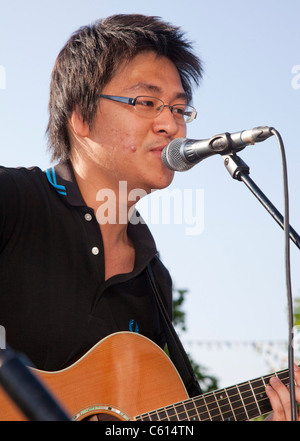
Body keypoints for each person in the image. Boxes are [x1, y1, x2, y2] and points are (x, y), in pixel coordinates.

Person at [0, 13, 298, 421]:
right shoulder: (13, 202)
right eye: (146, 102)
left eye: (179, 109)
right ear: (81, 117)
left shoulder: (153, 280)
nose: (170, 125)